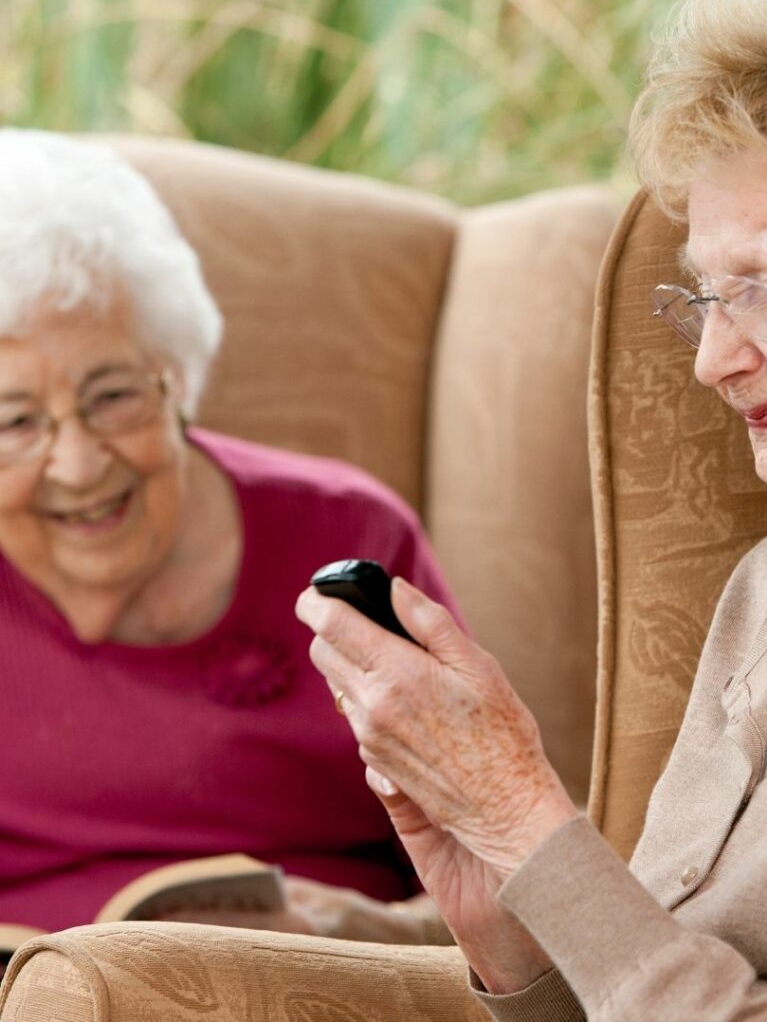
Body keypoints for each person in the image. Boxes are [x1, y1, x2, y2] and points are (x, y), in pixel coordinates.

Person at [297, 0, 767, 1017]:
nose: (711, 360)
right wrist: (503, 918)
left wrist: (521, 816)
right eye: (704, 297)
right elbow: (655, 990)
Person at [0, 128, 459, 944]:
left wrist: (381, 934)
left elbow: (511, 864)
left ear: (176, 377)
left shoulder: (350, 539)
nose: (75, 463)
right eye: (14, 422)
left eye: (112, 397)